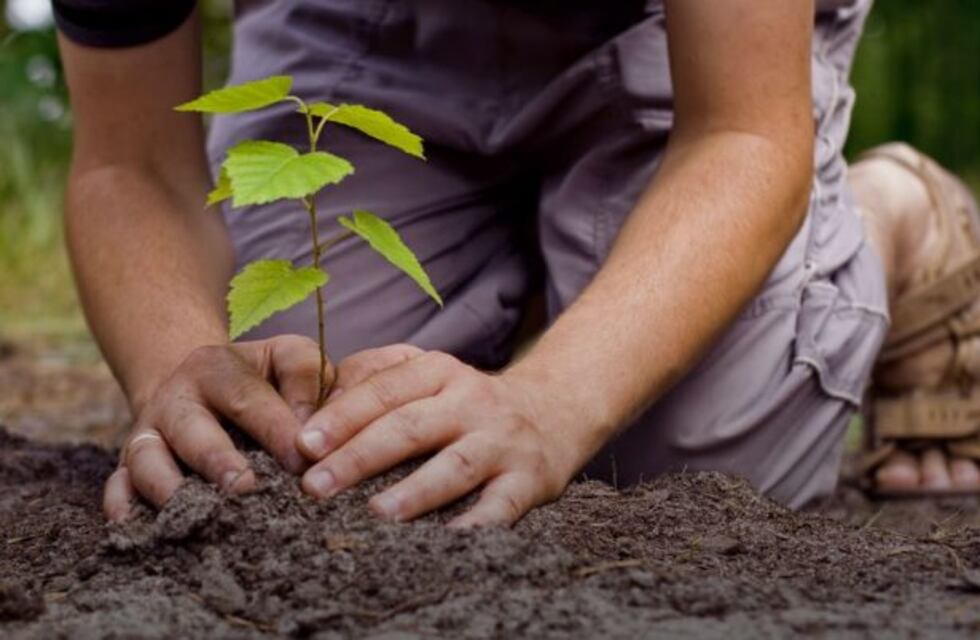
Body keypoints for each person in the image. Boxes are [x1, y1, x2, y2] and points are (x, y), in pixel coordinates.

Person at [52, 0, 980, 526]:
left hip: (683, 30)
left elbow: (740, 128)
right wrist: (177, 363)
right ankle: (559, 273)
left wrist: (555, 402)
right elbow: (130, 163)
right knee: (304, 423)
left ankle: (893, 216)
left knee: (681, 468)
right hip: (361, 22)